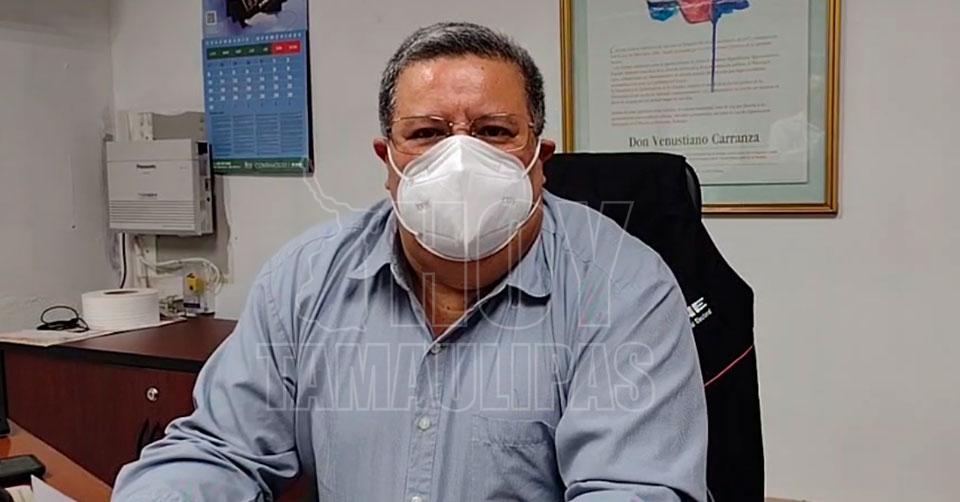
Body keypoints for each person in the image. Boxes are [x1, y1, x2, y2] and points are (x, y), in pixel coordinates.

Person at [113, 22, 707, 501]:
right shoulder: (305, 278)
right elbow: (221, 450)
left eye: (493, 131)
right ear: (389, 160)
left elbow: (632, 489)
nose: (460, 156)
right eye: (426, 133)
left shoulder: (622, 286)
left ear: (539, 158)